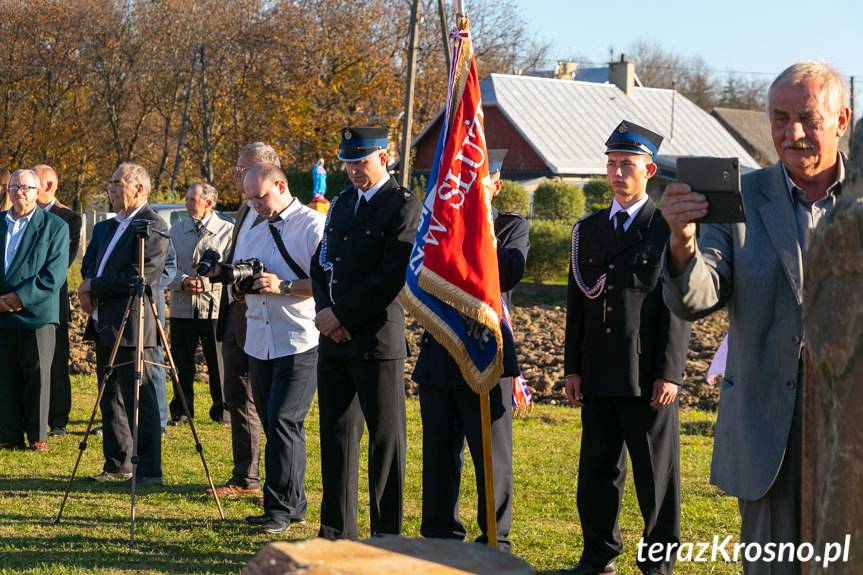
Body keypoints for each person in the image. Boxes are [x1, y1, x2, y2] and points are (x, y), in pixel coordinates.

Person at [660, 62, 851, 575]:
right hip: (770, 435)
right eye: (780, 117)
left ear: (842, 120)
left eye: (809, 118)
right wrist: (682, 243)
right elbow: (699, 296)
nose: (792, 133)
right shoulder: (743, 197)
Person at [562, 121, 690, 575]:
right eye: (612, 164)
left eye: (628, 165)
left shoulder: (666, 229)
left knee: (655, 478)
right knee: (597, 473)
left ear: (650, 169)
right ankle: (597, 555)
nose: (618, 173)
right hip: (598, 371)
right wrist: (572, 368)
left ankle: (657, 562)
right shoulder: (589, 230)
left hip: (647, 375)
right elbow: (576, 305)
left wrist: (671, 371)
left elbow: (678, 304)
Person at [412, 149, 528, 552]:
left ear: (495, 184)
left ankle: (496, 538)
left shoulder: (512, 226)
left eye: (477, 178)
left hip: (487, 355)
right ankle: (440, 534)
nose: (468, 186)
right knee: (440, 454)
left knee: (490, 456)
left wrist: (477, 232)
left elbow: (510, 270)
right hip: (440, 352)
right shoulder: (438, 226)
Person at [310, 127, 421, 539]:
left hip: (375, 340)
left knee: (385, 442)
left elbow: (391, 274)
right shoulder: (340, 203)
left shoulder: (403, 205)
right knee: (336, 438)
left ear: (384, 156)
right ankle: (336, 531)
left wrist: (342, 316)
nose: (355, 170)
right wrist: (325, 311)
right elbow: (319, 261)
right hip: (334, 339)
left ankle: (385, 535)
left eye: (362, 161)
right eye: (349, 162)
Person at [226, 163, 324, 533]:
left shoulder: (311, 226)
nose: (254, 204)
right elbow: (241, 276)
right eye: (249, 198)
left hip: (298, 338)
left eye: (260, 196)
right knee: (274, 423)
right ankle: (292, 502)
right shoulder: (252, 228)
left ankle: (279, 509)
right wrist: (236, 282)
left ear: (281, 185)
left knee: (284, 420)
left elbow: (326, 281)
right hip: (259, 339)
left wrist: (283, 286)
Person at [78, 163, 169, 485]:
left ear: (139, 189)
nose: (111, 189)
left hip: (134, 325)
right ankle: (117, 463)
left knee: (138, 400)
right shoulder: (105, 227)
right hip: (105, 322)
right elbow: (90, 262)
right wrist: (88, 282)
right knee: (111, 395)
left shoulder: (152, 226)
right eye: (111, 183)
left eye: (118, 183)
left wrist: (95, 287)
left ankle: (148, 470)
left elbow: (141, 275)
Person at [210, 142, 281, 497]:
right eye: (237, 170)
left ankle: (277, 478)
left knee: (267, 400)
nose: (238, 176)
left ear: (267, 169)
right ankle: (245, 475)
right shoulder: (243, 209)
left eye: (244, 169)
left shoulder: (279, 210)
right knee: (236, 395)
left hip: (267, 314)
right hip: (235, 311)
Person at [0, 169, 69, 451]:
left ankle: (37, 435)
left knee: (38, 378)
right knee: (5, 377)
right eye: (14, 186)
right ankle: (8, 434)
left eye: (26, 187)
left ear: (38, 191)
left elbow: (53, 274)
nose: (19, 192)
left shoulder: (54, 227)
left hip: (36, 314)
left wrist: (18, 299)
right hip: (2, 315)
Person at [168, 182, 233, 425]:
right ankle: (182, 410)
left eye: (191, 199)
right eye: (186, 198)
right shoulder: (175, 231)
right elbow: (166, 268)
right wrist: (182, 281)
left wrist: (205, 285)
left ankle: (223, 410)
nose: (186, 203)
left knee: (218, 363)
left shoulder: (227, 231)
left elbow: (230, 269)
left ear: (209, 203)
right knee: (181, 363)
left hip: (214, 308)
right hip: (182, 308)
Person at [32, 165, 82, 437]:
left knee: (55, 362)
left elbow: (64, 261)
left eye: (32, 184)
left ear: (48, 186)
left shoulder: (68, 218)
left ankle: (58, 419)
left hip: (52, 301)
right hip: (18, 304)